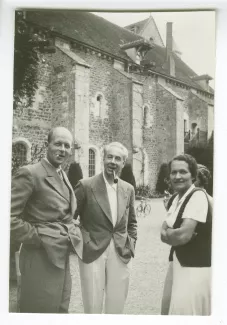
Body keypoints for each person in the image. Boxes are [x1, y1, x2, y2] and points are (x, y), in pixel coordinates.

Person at [10, 127, 83, 313]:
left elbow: (62, 214)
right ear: (46, 145)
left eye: (67, 145)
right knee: (40, 311)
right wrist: (38, 238)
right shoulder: (30, 173)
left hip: (61, 258)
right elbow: (9, 218)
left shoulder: (62, 174)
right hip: (39, 258)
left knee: (60, 310)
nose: (63, 149)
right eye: (58, 143)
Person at [74, 142, 137, 314]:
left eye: (118, 158)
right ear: (103, 159)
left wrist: (130, 244)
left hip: (120, 251)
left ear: (123, 163)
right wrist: (83, 242)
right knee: (93, 303)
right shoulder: (86, 185)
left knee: (117, 303)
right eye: (110, 157)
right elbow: (70, 219)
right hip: (92, 250)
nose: (113, 162)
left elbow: (132, 222)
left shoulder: (128, 189)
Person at [160, 154, 212, 315]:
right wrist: (169, 234)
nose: (177, 176)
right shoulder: (176, 198)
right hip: (178, 263)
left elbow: (182, 236)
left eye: (183, 172)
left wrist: (167, 234)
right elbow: (165, 229)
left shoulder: (197, 196)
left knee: (188, 313)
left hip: (195, 268)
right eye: (173, 172)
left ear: (193, 175)